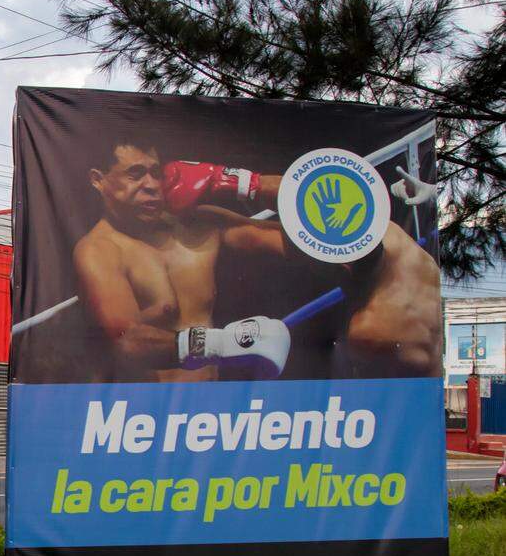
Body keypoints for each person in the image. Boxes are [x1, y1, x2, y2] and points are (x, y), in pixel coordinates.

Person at [163, 158, 443, 377]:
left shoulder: (370, 329)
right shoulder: (396, 240)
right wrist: (231, 180)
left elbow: (250, 232)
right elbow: (301, 205)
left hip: (395, 405)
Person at [73, 140, 293, 383]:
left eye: (156, 173)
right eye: (135, 175)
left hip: (208, 412)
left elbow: (308, 241)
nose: (152, 185)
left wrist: (240, 181)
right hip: (144, 415)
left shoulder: (196, 225)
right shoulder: (99, 250)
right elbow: (128, 340)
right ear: (98, 179)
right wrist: (225, 343)